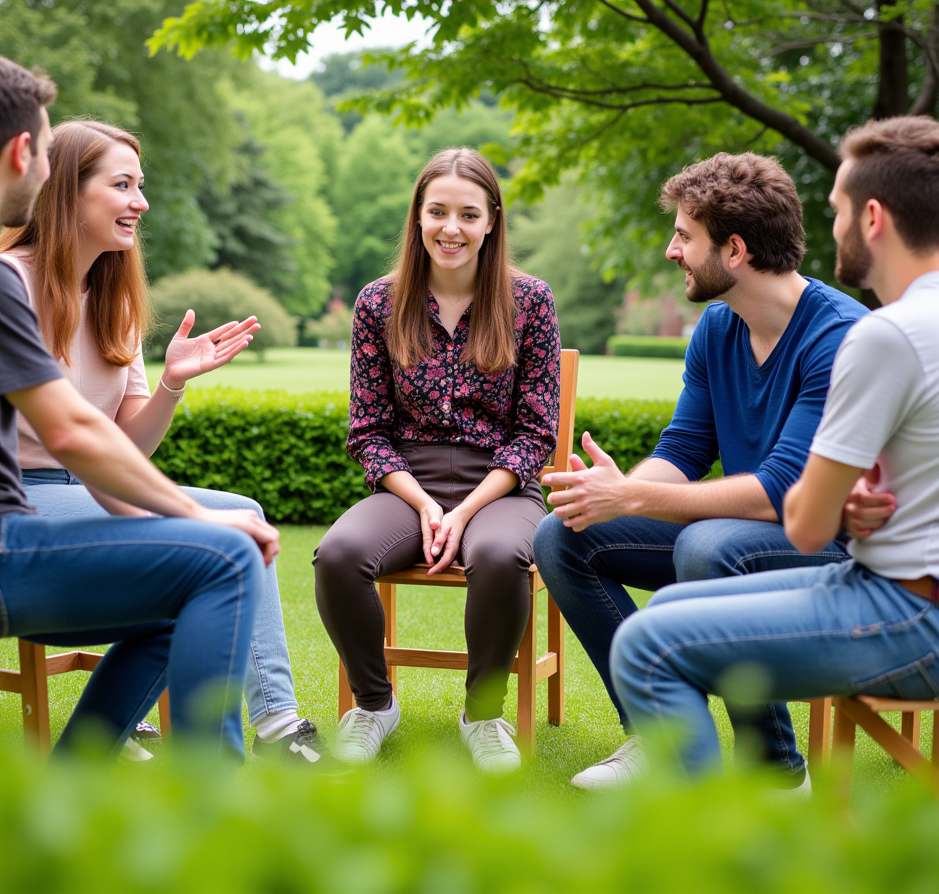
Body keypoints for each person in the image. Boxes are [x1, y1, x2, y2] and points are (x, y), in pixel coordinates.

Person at [0, 53, 278, 761]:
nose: (47, 171)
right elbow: (72, 431)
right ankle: (220, 813)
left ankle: (74, 782)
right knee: (225, 557)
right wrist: (200, 514)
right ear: (22, 153)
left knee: (192, 580)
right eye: (48, 153)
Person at [0, 119, 337, 770]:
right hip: (18, 501)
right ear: (66, 192)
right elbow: (73, 438)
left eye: (140, 186)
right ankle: (218, 765)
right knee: (213, 551)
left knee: (244, 517)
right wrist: (181, 512)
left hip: (91, 490)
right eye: (122, 185)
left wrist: (172, 383)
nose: (141, 203)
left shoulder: (114, 297)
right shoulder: (8, 284)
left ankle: (274, 723)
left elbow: (123, 450)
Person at [609, 115, 939, 780]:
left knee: (645, 641)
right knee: (669, 602)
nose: (831, 229)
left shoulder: (878, 334)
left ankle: (746, 830)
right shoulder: (902, 329)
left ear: (872, 217)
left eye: (837, 210)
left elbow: (803, 517)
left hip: (910, 609)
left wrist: (839, 505)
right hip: (889, 578)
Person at [535, 153, 867, 790]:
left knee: (710, 546)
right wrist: (607, 492)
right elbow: (684, 451)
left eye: (684, 236)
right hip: (747, 536)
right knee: (563, 535)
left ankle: (773, 771)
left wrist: (632, 498)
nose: (671, 251)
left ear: (735, 250)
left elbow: (782, 493)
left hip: (834, 547)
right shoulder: (719, 327)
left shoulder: (840, 337)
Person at [314, 148, 560, 773]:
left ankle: (483, 712)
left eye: (468, 214)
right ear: (418, 217)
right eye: (437, 212)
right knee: (338, 556)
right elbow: (367, 431)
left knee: (500, 555)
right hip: (406, 482)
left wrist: (467, 509)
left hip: (502, 485)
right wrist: (425, 504)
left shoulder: (530, 301)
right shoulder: (378, 303)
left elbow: (536, 433)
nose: (451, 228)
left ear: (491, 222)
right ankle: (374, 704)